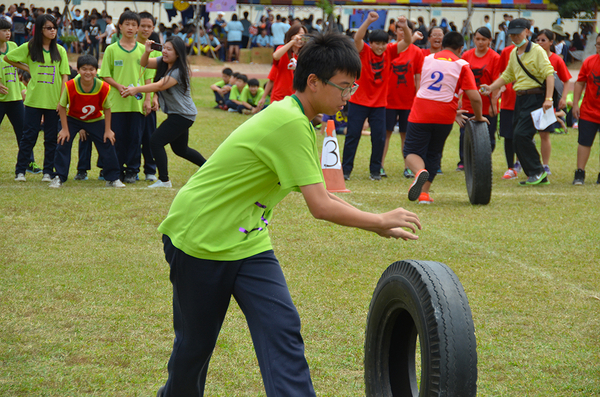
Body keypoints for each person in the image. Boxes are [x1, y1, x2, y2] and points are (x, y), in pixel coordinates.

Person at [153, 29, 421, 397]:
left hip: (248, 241)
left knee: (281, 328)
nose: (348, 96)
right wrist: (377, 222)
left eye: (352, 88)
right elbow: (321, 207)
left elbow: (322, 193)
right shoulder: (290, 122)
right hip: (200, 237)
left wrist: (376, 220)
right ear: (313, 82)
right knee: (194, 348)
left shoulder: (301, 120)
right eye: (344, 87)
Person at [403, 31, 486, 204]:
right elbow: (475, 97)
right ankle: (424, 195)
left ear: (442, 45)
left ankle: (418, 172)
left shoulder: (427, 59)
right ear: (461, 48)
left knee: (411, 151)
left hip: (421, 111)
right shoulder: (462, 64)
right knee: (434, 153)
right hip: (445, 115)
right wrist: (478, 117)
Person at [122, 36, 206, 188]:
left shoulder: (179, 70)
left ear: (178, 53)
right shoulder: (163, 62)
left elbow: (160, 86)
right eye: (164, 48)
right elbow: (144, 63)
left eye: (169, 49)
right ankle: (209, 168)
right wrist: (147, 52)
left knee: (155, 141)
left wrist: (136, 89)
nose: (165, 52)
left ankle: (164, 180)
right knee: (181, 150)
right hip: (179, 114)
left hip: (183, 115)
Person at [480, 18, 555, 186]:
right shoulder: (514, 53)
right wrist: (491, 88)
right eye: (511, 34)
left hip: (534, 97)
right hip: (520, 99)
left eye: (517, 33)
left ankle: (538, 171)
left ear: (527, 32)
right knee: (516, 136)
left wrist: (548, 99)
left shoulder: (537, 51)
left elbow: (549, 74)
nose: (514, 37)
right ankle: (534, 174)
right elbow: (507, 75)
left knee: (522, 134)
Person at [341, 12, 412, 181]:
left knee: (379, 138)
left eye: (383, 44)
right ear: (370, 43)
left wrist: (404, 25)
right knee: (353, 136)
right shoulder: (364, 51)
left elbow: (408, 41)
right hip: (359, 102)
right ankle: (345, 170)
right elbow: (357, 38)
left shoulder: (390, 51)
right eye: (376, 44)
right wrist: (368, 21)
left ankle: (375, 171)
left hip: (379, 104)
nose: (380, 47)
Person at [7, 13, 70, 182]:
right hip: (34, 100)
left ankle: (48, 172)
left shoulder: (61, 50)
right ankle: (20, 170)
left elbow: (65, 76)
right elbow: (9, 57)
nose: (53, 31)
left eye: (55, 27)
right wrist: (27, 68)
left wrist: (61, 100)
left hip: (53, 101)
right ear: (40, 30)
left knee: (50, 138)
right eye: (48, 28)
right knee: (29, 136)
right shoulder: (30, 47)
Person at [50, 54, 124, 188]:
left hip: (95, 119)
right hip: (73, 118)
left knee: (107, 141)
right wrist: (64, 129)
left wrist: (108, 130)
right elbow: (61, 107)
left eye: (91, 69)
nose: (88, 72)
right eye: (84, 69)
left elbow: (107, 109)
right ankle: (59, 176)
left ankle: (112, 178)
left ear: (96, 71)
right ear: (78, 70)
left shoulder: (102, 86)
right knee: (63, 141)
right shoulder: (70, 85)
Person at [98, 11, 149, 183]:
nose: (130, 28)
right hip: (116, 102)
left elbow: (148, 78)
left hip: (137, 103)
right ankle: (116, 170)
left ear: (138, 28)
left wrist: (148, 99)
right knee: (116, 138)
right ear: (119, 26)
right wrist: (119, 86)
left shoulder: (143, 50)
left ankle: (132, 171)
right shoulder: (111, 49)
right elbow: (105, 74)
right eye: (127, 24)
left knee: (136, 138)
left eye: (134, 25)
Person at [382, 18, 424, 179]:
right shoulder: (389, 49)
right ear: (395, 32)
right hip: (388, 100)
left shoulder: (417, 52)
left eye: (404, 29)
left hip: (408, 101)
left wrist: (418, 99)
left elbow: (417, 78)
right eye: (399, 29)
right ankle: (380, 166)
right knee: (385, 134)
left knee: (406, 136)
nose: (401, 32)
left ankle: (407, 167)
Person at [457, 27, 500, 171]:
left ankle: (483, 160)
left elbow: (497, 82)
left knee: (488, 135)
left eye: (484, 39)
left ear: (490, 41)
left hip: (487, 104)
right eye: (478, 39)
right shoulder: (466, 56)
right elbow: (460, 79)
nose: (480, 42)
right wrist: (460, 97)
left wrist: (493, 102)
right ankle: (464, 160)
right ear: (473, 39)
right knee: (465, 133)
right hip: (468, 103)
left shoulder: (495, 57)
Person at [0, 18, 40, 174]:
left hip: (15, 98)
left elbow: (20, 65)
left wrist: (30, 70)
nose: (8, 33)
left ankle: (29, 163)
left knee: (24, 133)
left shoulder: (13, 46)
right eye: (4, 30)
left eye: (9, 30)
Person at [534, 29, 571, 175]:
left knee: (544, 134)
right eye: (538, 40)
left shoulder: (556, 59)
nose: (540, 43)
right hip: (531, 98)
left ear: (551, 42)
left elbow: (566, 80)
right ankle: (521, 162)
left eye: (543, 40)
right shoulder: (531, 57)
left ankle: (545, 165)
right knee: (526, 134)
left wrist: (563, 97)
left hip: (547, 101)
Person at [571, 34, 600, 185]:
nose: (599, 47)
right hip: (589, 111)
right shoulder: (589, 61)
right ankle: (580, 173)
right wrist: (575, 104)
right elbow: (579, 83)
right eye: (598, 44)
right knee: (584, 142)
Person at [258, 24, 307, 110]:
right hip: (279, 97)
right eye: (298, 35)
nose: (300, 38)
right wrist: (263, 97)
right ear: (291, 36)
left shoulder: (304, 55)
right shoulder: (282, 50)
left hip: (296, 98)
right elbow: (275, 57)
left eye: (303, 35)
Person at [497, 43, 521, 180]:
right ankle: (510, 167)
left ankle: (524, 163)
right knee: (508, 136)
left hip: (525, 101)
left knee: (523, 135)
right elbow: (501, 73)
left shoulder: (534, 50)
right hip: (508, 102)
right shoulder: (506, 51)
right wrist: (500, 88)